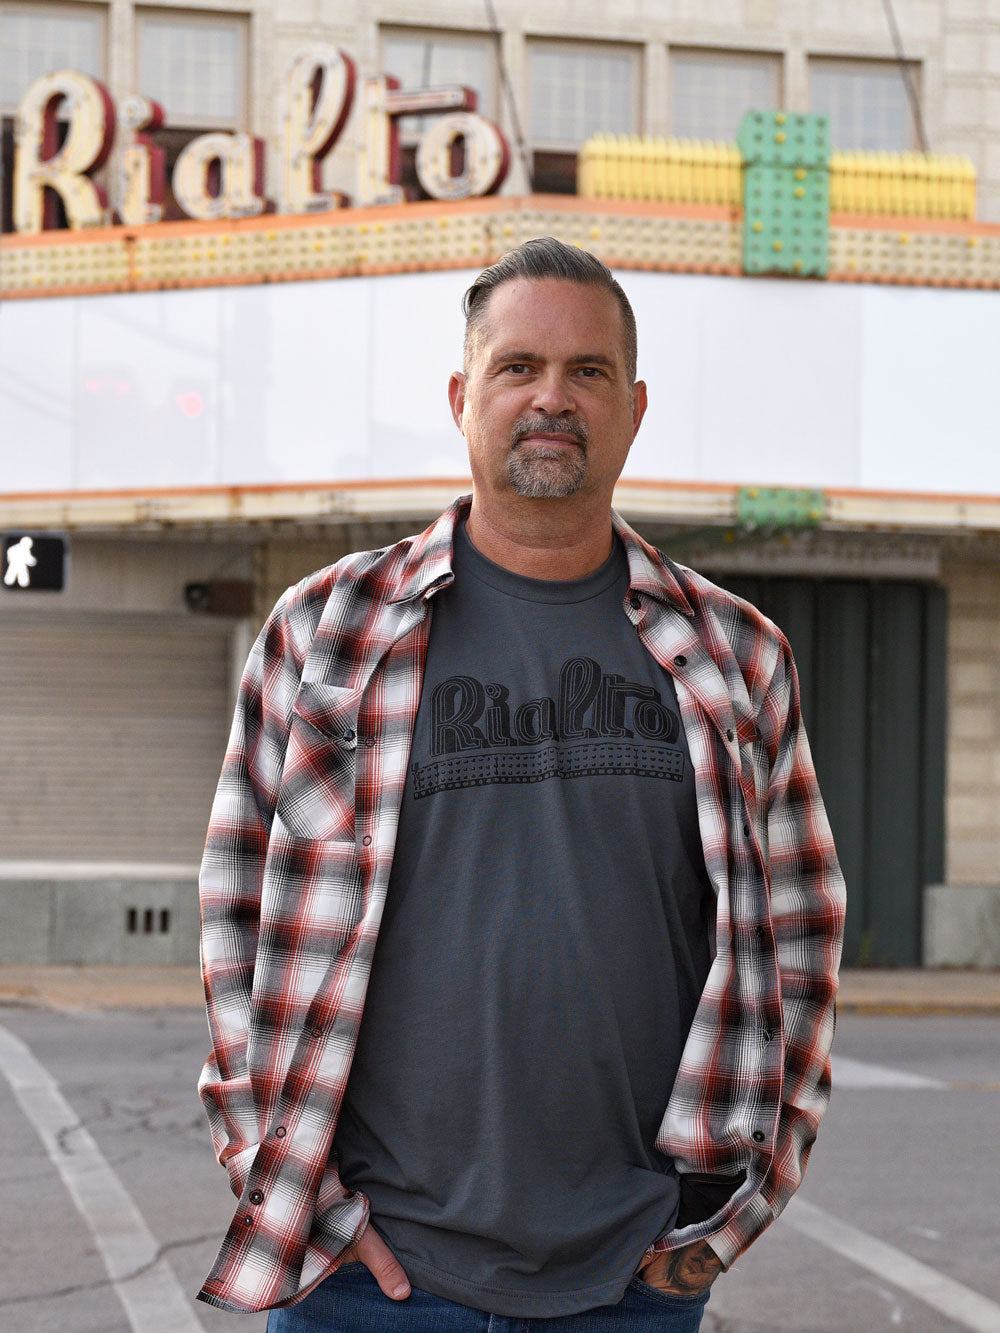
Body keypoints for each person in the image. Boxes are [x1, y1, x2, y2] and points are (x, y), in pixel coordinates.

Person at [197, 237, 846, 1331]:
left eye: (587, 371)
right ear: (462, 397)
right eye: (517, 367)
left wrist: (725, 1227)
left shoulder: (740, 656)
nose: (552, 397)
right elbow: (233, 917)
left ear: (634, 408)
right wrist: (292, 1182)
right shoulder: (323, 634)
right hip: (368, 1281)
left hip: (629, 1278)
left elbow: (799, 941)